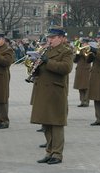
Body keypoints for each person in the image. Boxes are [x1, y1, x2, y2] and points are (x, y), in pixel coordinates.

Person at [30, 27, 73, 165]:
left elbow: (66, 68)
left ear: (61, 38)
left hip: (56, 91)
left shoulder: (66, 51)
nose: (50, 40)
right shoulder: (46, 50)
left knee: (56, 125)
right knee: (46, 124)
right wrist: (34, 68)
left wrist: (47, 61)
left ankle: (57, 154)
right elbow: (41, 69)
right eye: (49, 37)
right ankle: (49, 151)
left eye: (53, 37)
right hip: (43, 91)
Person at [73, 38, 91, 107]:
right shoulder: (79, 50)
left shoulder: (88, 49)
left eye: (83, 43)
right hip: (79, 69)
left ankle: (86, 101)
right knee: (80, 86)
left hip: (86, 70)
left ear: (87, 43)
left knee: (86, 87)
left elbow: (88, 58)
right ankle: (82, 101)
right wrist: (76, 54)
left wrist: (82, 51)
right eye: (82, 43)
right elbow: (74, 60)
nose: (82, 44)